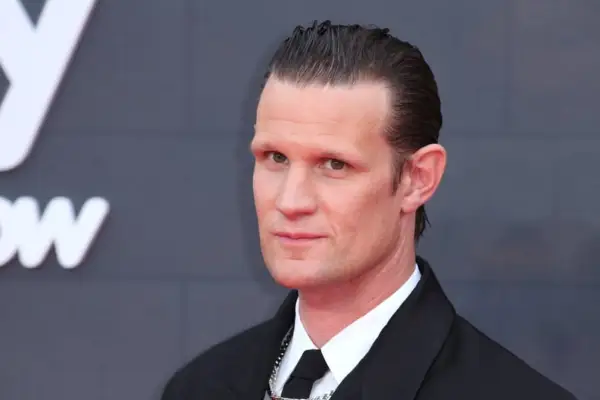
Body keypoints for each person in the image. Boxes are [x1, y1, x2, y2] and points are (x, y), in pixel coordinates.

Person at [161, 21, 577, 400]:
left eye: (334, 165)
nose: (290, 201)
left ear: (418, 179)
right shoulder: (198, 388)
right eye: (276, 158)